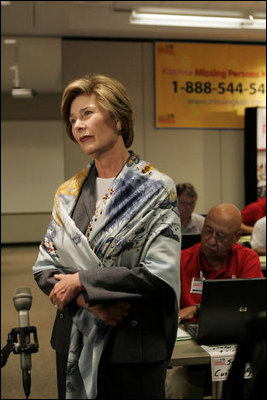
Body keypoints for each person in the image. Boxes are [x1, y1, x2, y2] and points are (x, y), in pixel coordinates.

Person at [32, 74, 181, 400]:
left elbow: (158, 274)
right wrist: (87, 300)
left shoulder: (156, 188)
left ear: (117, 119)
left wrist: (82, 280)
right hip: (74, 335)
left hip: (133, 342)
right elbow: (45, 268)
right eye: (73, 119)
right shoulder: (68, 193)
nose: (78, 126)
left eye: (87, 113)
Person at [165, 203, 264, 399]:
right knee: (175, 386)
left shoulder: (247, 259)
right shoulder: (181, 261)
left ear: (236, 238)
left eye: (221, 236)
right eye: (208, 231)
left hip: (238, 355)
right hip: (191, 361)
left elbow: (254, 307)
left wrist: (196, 309)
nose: (211, 240)